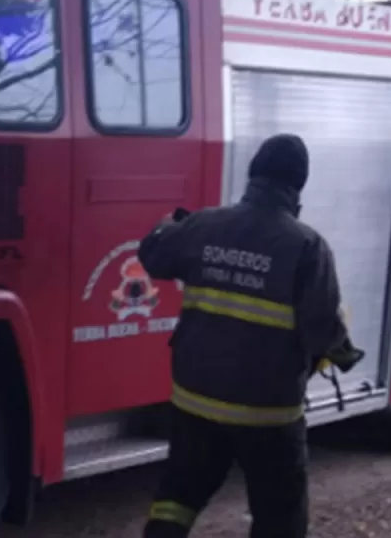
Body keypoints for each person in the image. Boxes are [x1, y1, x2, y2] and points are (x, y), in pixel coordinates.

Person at [137, 134, 362, 538]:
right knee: (280, 515)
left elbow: (152, 254)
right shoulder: (308, 246)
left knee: (177, 498)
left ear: (253, 174)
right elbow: (321, 330)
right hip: (268, 415)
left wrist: (168, 225)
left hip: (196, 401)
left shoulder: (203, 225)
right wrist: (343, 352)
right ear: (299, 185)